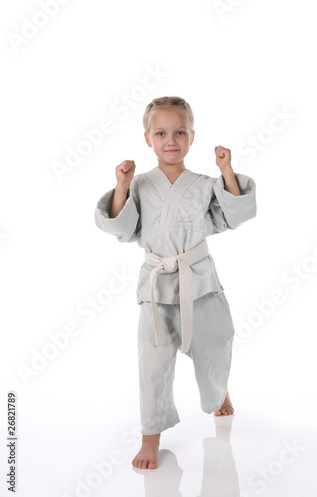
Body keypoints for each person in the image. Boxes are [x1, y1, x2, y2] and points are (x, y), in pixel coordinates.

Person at [94, 96, 257, 470]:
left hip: (199, 279)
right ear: (148, 138)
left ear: (192, 137)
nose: (171, 140)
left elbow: (235, 215)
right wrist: (121, 184)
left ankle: (218, 391)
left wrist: (227, 170)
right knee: (152, 364)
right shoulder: (140, 185)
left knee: (214, 343)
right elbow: (121, 227)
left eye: (180, 132)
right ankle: (150, 438)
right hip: (156, 287)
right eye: (162, 133)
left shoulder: (203, 184)